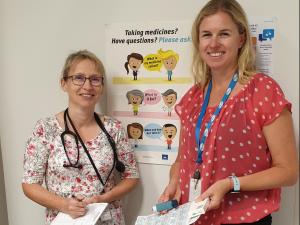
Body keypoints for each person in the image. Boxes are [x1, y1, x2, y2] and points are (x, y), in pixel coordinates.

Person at [159, 0, 299, 225]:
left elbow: (288, 171)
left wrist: (230, 184)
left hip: (244, 220)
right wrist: (174, 183)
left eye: (223, 34)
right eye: (206, 35)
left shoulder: (262, 90)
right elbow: (181, 160)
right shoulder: (194, 97)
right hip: (194, 217)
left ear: (241, 38)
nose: (213, 43)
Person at [22, 50, 139, 225]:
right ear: (64, 83)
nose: (87, 86)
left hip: (108, 219)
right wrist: (64, 204)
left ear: (101, 85)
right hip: (65, 220)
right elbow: (29, 184)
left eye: (95, 79)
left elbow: (132, 175)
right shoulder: (45, 129)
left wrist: (105, 198)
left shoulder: (113, 128)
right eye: (78, 77)